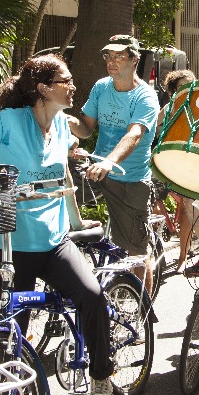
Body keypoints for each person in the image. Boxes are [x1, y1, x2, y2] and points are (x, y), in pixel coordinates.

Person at [0, 55, 119, 395]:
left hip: (54, 242)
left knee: (91, 296)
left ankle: (101, 376)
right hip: (12, 245)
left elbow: (63, 177)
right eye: (65, 81)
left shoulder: (62, 125)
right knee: (10, 333)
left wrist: (75, 222)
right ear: (43, 88)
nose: (73, 86)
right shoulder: (10, 121)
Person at [70, 34, 161, 295]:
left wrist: (110, 162)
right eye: (108, 56)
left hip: (130, 179)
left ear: (134, 60)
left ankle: (143, 313)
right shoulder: (101, 87)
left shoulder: (145, 97)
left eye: (119, 56)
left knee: (136, 252)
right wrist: (62, 119)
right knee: (61, 196)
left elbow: (134, 134)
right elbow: (86, 128)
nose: (112, 61)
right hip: (97, 170)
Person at [159, 68, 199, 267]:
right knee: (152, 199)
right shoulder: (169, 108)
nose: (189, 89)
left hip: (191, 166)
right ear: (173, 91)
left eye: (191, 85)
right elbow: (150, 126)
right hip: (168, 163)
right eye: (183, 86)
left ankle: (183, 256)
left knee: (186, 210)